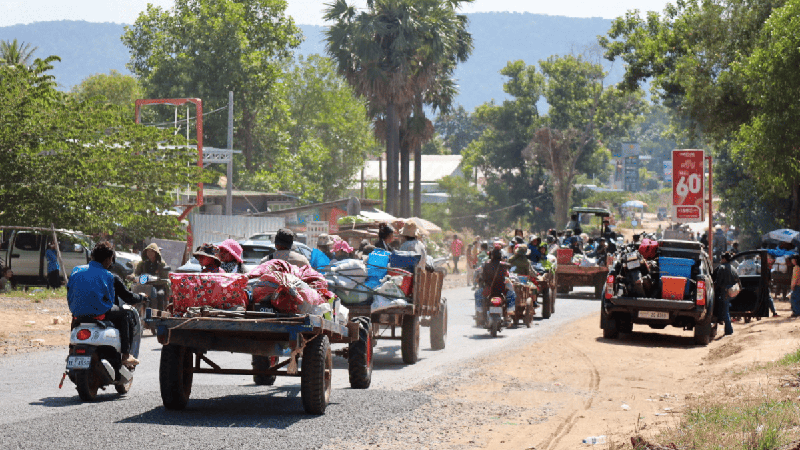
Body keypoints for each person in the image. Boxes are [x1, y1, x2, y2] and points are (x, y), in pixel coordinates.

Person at [67, 242, 147, 368]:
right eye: (111, 259)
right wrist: (142, 297)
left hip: (77, 311)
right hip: (100, 313)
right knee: (125, 315)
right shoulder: (109, 276)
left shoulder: (76, 270)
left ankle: (71, 351)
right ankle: (126, 356)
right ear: (108, 259)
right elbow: (120, 298)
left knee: (76, 318)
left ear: (92, 257)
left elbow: (70, 290)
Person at [714, 251, 740, 336]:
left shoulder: (721, 268)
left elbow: (718, 282)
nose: (721, 260)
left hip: (724, 292)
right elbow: (738, 280)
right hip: (732, 293)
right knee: (726, 308)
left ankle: (729, 330)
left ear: (724, 259)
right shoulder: (733, 268)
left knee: (725, 311)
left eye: (722, 258)